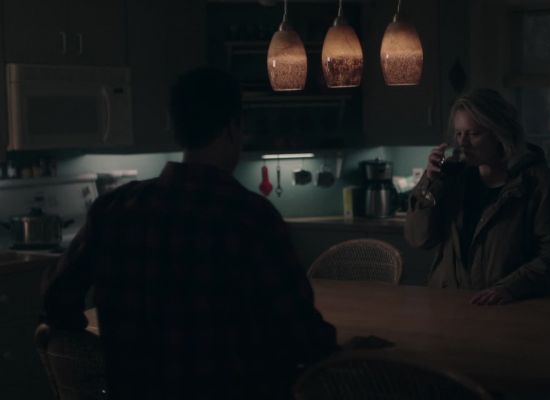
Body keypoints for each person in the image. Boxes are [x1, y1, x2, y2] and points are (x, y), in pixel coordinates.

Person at [39, 67, 337, 399]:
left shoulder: (112, 210)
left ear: (176, 128)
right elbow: (302, 337)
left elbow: (55, 300)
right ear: (232, 128)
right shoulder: (251, 218)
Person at [404, 88, 550, 305]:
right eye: (459, 133)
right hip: (450, 304)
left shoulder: (539, 184)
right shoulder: (452, 179)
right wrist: (429, 182)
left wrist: (511, 288)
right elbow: (419, 239)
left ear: (499, 134)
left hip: (510, 308)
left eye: (474, 134)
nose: (462, 143)